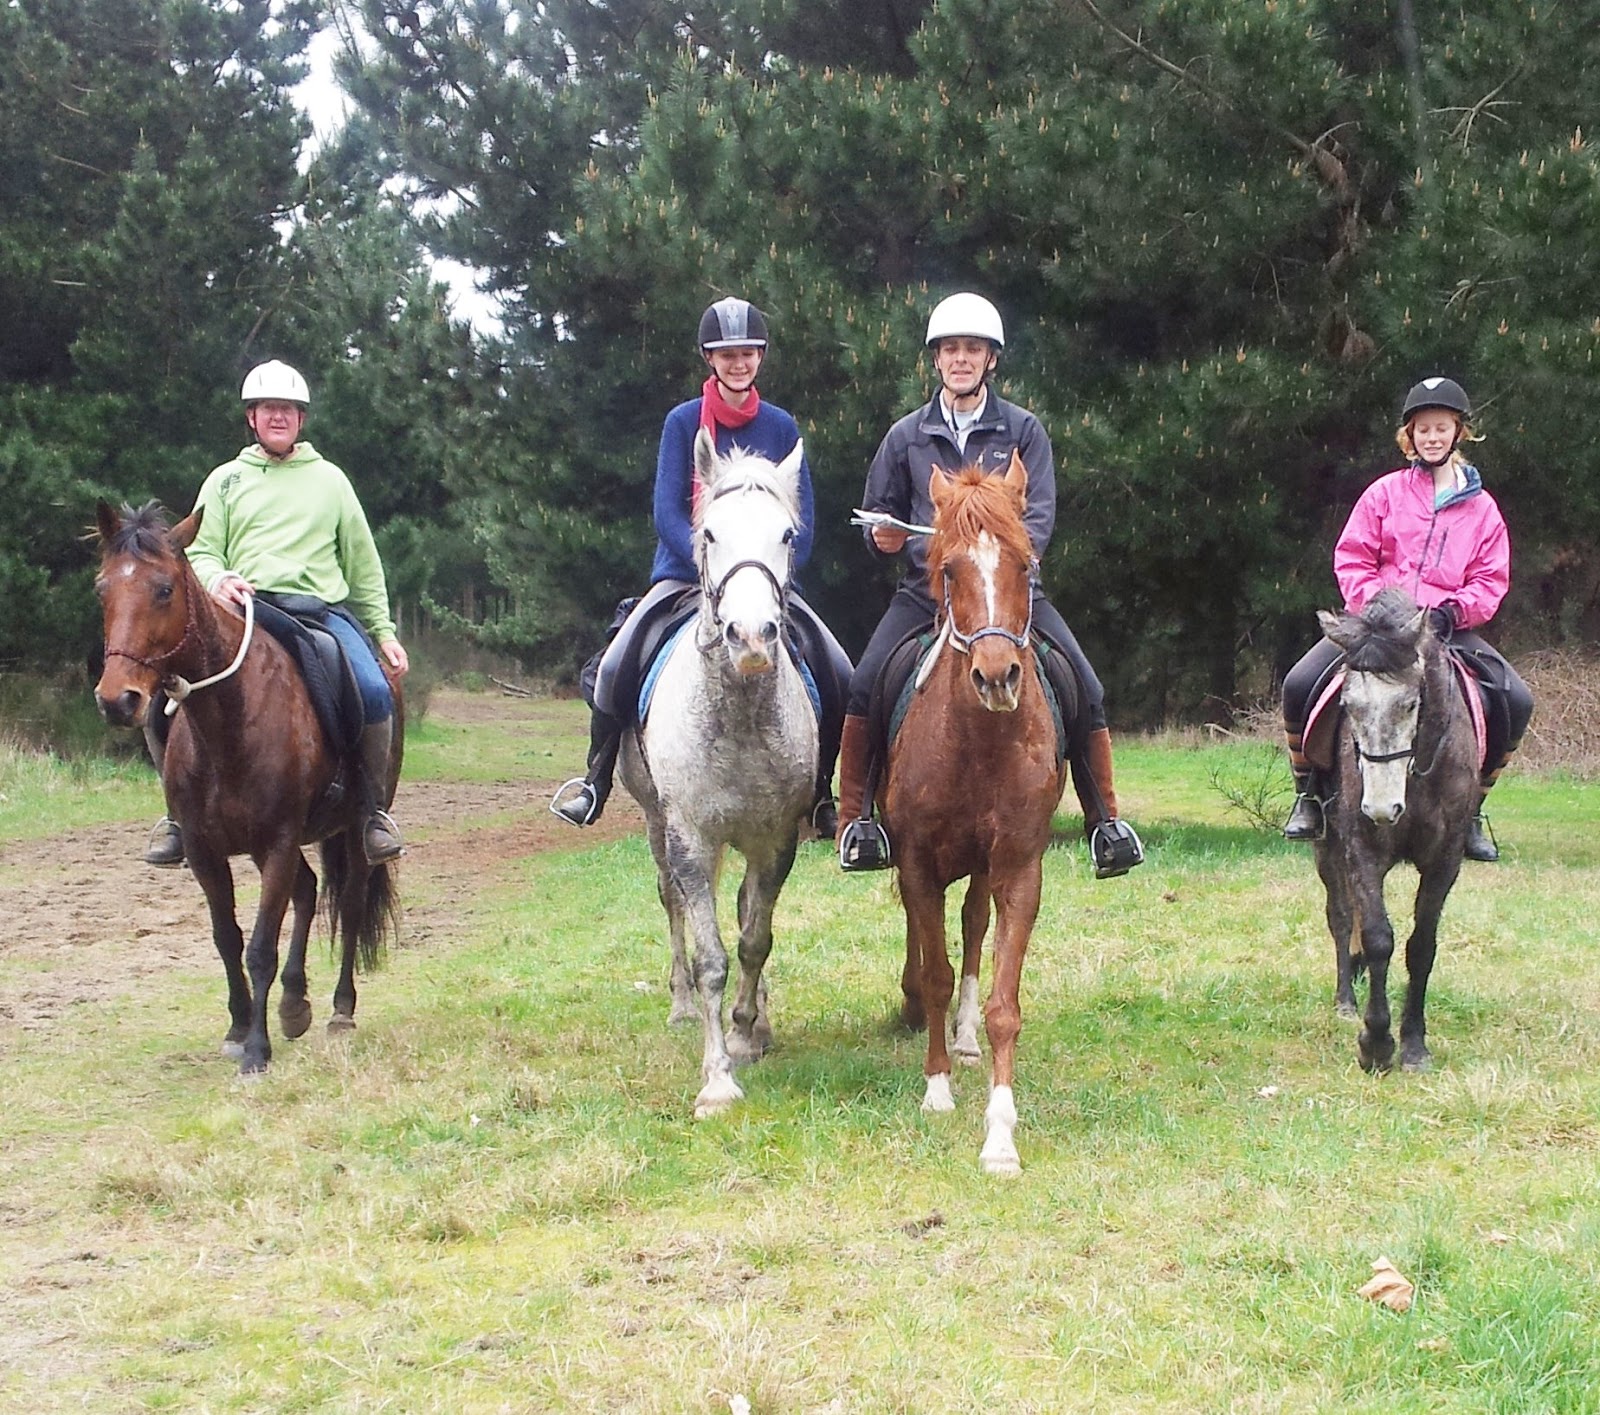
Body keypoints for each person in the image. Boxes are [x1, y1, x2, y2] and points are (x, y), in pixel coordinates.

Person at [836, 292, 1144, 878]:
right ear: (935, 360)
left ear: (991, 360)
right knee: (865, 683)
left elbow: (1039, 520)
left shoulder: (1025, 431)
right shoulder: (905, 436)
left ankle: (1106, 823)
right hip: (927, 592)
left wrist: (993, 564)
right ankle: (857, 822)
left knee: (1087, 685)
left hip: (1007, 594)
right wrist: (884, 539)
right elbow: (878, 513)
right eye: (950, 349)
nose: (960, 359)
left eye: (972, 349)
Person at [549, 297, 851, 835]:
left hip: (763, 582)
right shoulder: (683, 422)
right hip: (687, 576)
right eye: (727, 354)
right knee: (617, 665)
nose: (739, 363)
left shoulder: (781, 426)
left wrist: (776, 574)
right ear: (710, 359)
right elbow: (667, 508)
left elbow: (799, 516)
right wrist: (707, 564)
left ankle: (823, 791)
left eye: (748, 353)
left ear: (760, 357)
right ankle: (596, 780)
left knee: (840, 671)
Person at [143, 360, 409, 868]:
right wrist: (220, 580)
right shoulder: (223, 481)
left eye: (288, 409)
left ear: (301, 419)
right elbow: (195, 551)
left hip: (317, 614)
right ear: (252, 417)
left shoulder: (331, 481)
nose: (279, 417)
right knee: (162, 696)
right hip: (242, 616)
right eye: (269, 409)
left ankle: (372, 811)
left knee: (375, 692)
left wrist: (385, 631)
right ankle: (178, 817)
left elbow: (364, 563)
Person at [1281, 376, 1533, 859]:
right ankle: (1308, 794)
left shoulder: (1483, 510)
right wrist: (1381, 609)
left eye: (1441, 428)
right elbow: (1353, 557)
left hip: (1444, 628)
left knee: (1515, 699)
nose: (1432, 437)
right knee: (1299, 683)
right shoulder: (1384, 494)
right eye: (1423, 429)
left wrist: (1453, 611)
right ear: (1410, 437)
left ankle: (1474, 807)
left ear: (1458, 433)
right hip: (1378, 626)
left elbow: (1490, 578)